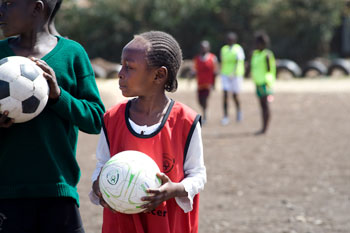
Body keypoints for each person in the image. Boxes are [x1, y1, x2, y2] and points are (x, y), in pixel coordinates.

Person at [0, 0, 105, 232]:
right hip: (6, 194)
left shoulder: (72, 54)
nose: (1, 10)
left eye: (8, 3)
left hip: (59, 191)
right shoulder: (1, 55)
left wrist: (58, 96)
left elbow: (97, 119)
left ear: (36, 8)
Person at [90, 31, 206, 233]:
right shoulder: (112, 119)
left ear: (159, 75)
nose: (120, 73)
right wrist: (99, 185)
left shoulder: (185, 121)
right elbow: (102, 163)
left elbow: (197, 174)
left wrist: (174, 190)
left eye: (129, 67)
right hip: (121, 225)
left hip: (167, 225)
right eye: (121, 65)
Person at [249, 31, 276, 134]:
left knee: (265, 105)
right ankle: (263, 126)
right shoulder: (255, 54)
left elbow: (270, 70)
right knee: (262, 105)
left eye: (258, 43)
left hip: (265, 83)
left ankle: (265, 128)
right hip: (258, 83)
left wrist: (269, 82)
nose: (256, 45)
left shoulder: (267, 55)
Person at [219, 32, 245, 125]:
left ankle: (239, 111)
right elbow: (222, 61)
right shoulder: (224, 49)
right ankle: (225, 116)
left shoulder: (238, 49)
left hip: (236, 75)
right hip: (225, 74)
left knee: (235, 95)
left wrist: (233, 72)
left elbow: (238, 61)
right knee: (225, 95)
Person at [193, 40, 218, 123]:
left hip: (208, 84)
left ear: (208, 48)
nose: (203, 49)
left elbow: (215, 72)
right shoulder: (197, 59)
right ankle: (204, 110)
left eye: (205, 47)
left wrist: (214, 84)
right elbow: (195, 70)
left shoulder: (212, 58)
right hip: (200, 83)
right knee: (199, 100)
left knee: (205, 99)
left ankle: (205, 114)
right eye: (202, 47)